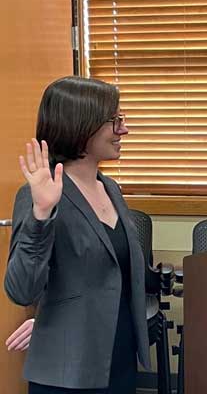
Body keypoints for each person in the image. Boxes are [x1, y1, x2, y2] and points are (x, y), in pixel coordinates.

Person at [4, 76, 150, 393]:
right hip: (67, 370)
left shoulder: (110, 189)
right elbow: (21, 290)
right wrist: (41, 215)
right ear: (82, 127)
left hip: (118, 358)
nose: (123, 130)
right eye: (115, 121)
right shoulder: (37, 195)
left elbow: (109, 276)